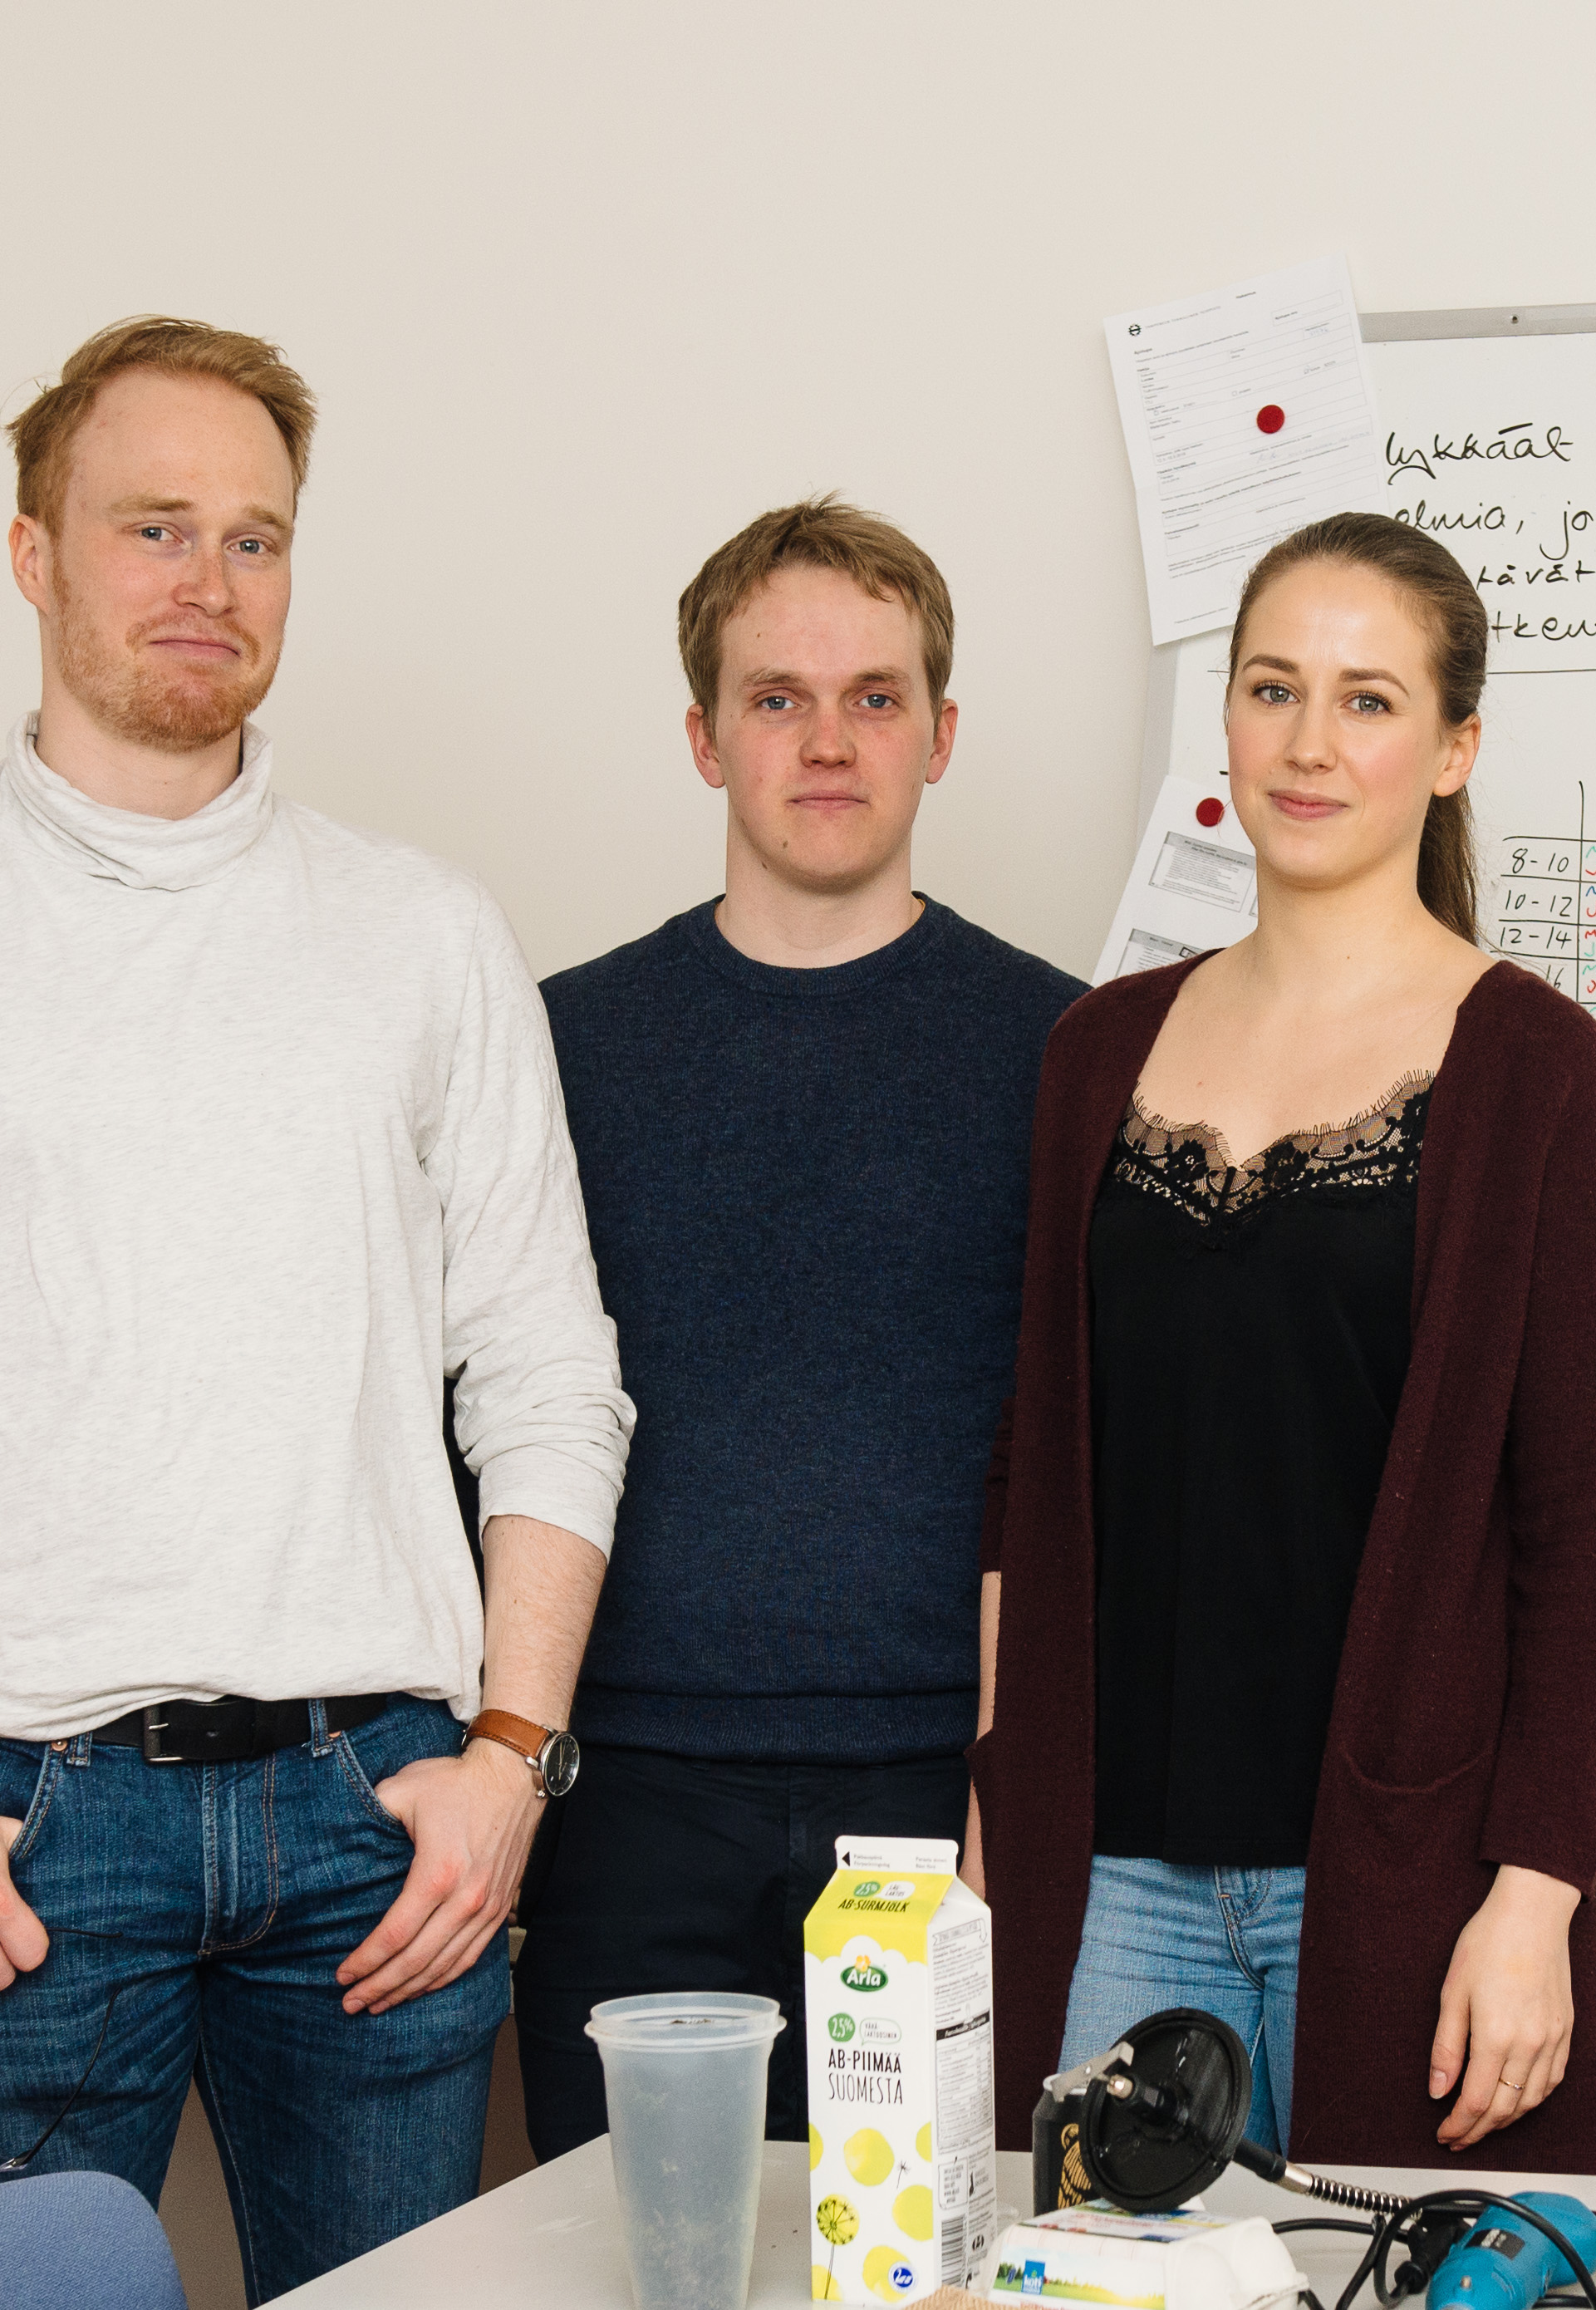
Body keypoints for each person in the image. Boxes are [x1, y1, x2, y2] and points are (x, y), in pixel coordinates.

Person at [0, 317, 631, 2300]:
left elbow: (549, 1376)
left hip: (378, 1812)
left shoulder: (423, 936)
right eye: (154, 528)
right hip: (8, 1831)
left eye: (256, 540)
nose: (208, 582)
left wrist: (509, 1763)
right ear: (32, 554)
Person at [972, 514, 1596, 2166]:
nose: (1307, 741)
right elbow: (1026, 1477)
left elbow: (1583, 1533)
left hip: (1406, 1881)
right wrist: (995, 1804)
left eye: (1365, 699)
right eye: (1272, 688)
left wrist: (1535, 1899)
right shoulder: (1093, 1054)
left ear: (1452, 745)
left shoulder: (1538, 1075)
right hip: (1106, 1876)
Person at [514, 496, 1080, 2160]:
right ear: (703, 737)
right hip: (619, 1796)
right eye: (775, 698)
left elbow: (1075, 1461)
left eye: (873, 697)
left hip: (936, 1795)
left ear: (941, 734)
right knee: (637, 2272)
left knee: (926, 2267)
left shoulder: (1071, 1054)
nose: (826, 741)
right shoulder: (557, 1044)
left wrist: (1013, 1788)